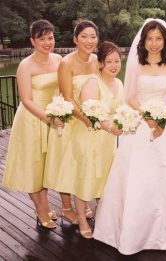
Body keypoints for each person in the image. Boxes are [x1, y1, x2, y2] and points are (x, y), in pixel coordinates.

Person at [93, 18, 166, 254]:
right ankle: (133, 234)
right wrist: (148, 117)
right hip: (140, 126)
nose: (154, 44)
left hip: (165, 127)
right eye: (149, 39)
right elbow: (131, 97)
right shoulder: (136, 64)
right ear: (143, 41)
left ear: (165, 41)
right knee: (138, 177)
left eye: (158, 39)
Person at [55, 41, 123, 238]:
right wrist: (110, 126)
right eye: (109, 61)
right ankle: (82, 220)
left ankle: (103, 216)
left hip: (107, 141)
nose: (113, 65)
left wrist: (126, 121)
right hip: (88, 137)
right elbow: (90, 114)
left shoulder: (119, 83)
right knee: (84, 177)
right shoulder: (93, 83)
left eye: (117, 61)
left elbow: (122, 110)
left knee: (103, 178)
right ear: (100, 63)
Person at [2, 19, 63, 228]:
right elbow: (26, 100)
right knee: (32, 167)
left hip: (54, 118)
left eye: (50, 37)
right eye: (42, 38)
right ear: (32, 41)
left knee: (45, 168)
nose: (48, 42)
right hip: (32, 120)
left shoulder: (58, 60)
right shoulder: (25, 65)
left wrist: (62, 112)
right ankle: (41, 209)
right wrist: (49, 118)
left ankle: (45, 205)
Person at [43, 20, 99, 224]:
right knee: (69, 164)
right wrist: (85, 119)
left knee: (86, 163)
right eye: (84, 36)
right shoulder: (66, 63)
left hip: (92, 120)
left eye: (93, 36)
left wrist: (97, 116)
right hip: (74, 120)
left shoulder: (96, 60)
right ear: (75, 39)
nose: (89, 40)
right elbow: (68, 97)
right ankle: (67, 207)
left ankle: (82, 204)